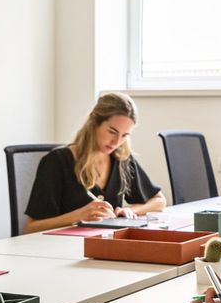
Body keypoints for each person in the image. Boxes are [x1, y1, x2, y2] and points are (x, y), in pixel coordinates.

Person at [23, 92, 166, 233]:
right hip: (61, 245)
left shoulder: (121, 159)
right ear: (94, 123)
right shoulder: (57, 161)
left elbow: (159, 200)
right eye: (112, 132)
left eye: (124, 135)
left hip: (104, 243)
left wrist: (130, 210)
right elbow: (31, 228)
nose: (116, 142)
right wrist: (78, 216)